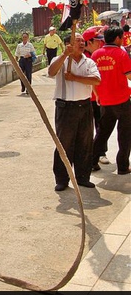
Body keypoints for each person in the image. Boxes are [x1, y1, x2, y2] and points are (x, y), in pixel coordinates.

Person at [47, 33, 101, 191]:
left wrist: (74, 77)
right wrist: (65, 54)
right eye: (78, 40)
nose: (82, 43)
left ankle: (83, 177)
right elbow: (51, 72)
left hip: (84, 107)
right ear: (67, 44)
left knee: (85, 142)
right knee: (64, 144)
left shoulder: (89, 62)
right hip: (66, 108)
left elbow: (96, 80)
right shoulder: (60, 61)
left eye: (83, 41)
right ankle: (62, 179)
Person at [91, 26, 131, 175]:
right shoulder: (121, 53)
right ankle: (122, 166)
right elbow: (129, 76)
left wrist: (98, 96)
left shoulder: (95, 55)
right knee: (125, 134)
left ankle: (92, 162)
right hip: (122, 99)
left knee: (102, 133)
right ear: (117, 38)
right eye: (121, 38)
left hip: (105, 101)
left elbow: (93, 80)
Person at [82, 27, 110, 166]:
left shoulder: (102, 55)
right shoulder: (82, 59)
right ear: (88, 43)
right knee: (87, 129)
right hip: (86, 98)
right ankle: (89, 156)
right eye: (97, 41)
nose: (100, 44)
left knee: (101, 126)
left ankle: (101, 153)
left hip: (100, 98)